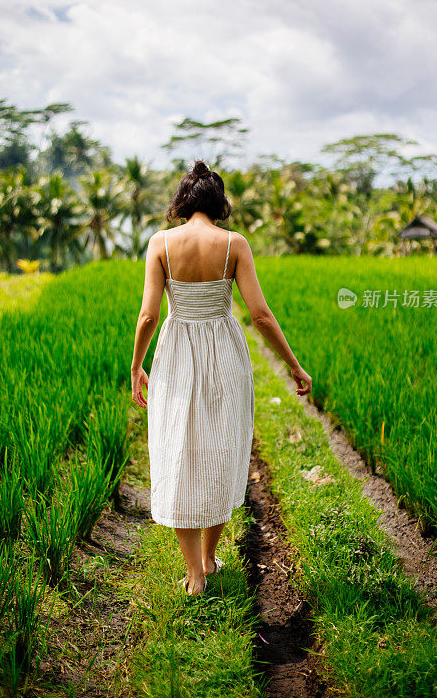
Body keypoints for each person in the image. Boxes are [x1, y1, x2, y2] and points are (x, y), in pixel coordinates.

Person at [130, 160, 312, 595]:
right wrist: (293, 364)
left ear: (182, 201)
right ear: (219, 203)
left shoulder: (161, 243)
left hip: (176, 353)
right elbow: (261, 315)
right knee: (221, 449)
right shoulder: (235, 244)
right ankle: (210, 559)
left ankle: (194, 574)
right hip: (224, 354)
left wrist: (137, 365)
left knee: (179, 450)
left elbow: (149, 315)